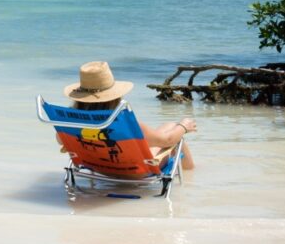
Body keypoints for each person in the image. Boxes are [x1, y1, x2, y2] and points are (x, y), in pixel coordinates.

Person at [65, 61, 196, 170]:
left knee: (170, 125)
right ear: (114, 97)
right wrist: (184, 126)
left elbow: (62, 141)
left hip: (99, 167)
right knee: (176, 134)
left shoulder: (70, 124)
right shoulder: (126, 125)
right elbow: (168, 141)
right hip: (135, 171)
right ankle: (191, 176)